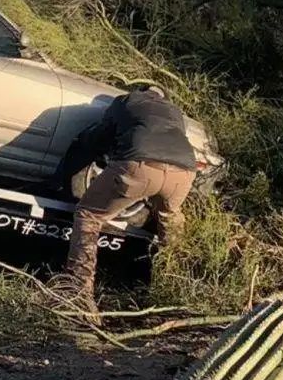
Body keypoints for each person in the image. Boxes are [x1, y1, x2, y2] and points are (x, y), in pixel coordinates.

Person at [52, 83, 197, 309]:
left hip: (140, 166)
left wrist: (77, 155)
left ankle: (79, 289)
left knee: (88, 214)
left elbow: (101, 134)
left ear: (138, 91)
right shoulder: (174, 111)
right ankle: (176, 284)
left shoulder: (126, 101)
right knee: (169, 219)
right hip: (183, 174)